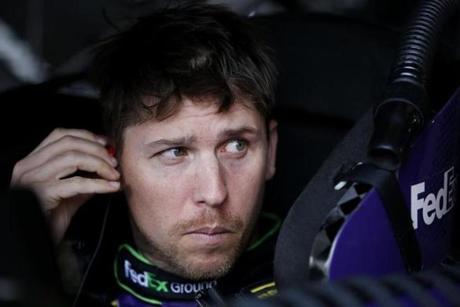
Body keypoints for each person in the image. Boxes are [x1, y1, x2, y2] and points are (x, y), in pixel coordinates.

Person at [10, 2, 279, 306]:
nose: (214, 193)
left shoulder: (326, 272)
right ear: (113, 159)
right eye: (175, 152)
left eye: (236, 146)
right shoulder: (76, 278)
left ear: (270, 150)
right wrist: (17, 252)